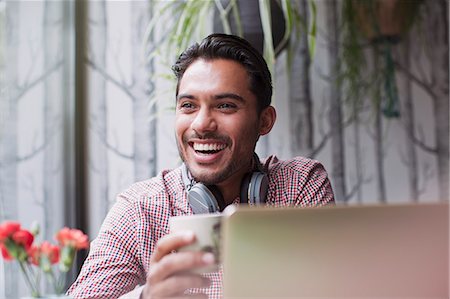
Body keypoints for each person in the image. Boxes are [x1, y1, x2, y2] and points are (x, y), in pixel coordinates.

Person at [68, 33, 335, 299]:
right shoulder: (139, 208)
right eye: (188, 106)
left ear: (264, 121)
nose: (201, 124)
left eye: (225, 105)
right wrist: (144, 297)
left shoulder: (299, 184)